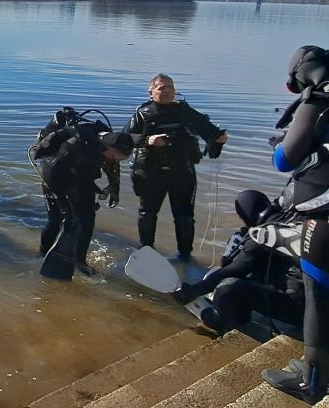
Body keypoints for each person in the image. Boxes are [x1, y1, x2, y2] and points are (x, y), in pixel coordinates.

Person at [261, 45, 329, 403]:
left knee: (320, 298)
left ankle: (311, 382)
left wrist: (281, 142)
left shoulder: (318, 102)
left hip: (328, 220)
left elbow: (284, 159)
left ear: (300, 74)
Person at [125, 74, 228, 261]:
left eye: (170, 87)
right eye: (161, 88)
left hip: (183, 173)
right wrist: (148, 140)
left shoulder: (186, 112)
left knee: (184, 217)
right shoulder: (142, 114)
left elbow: (209, 131)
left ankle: (185, 256)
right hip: (150, 173)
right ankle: (146, 251)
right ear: (151, 92)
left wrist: (219, 138)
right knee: (147, 213)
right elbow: (124, 141)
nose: (167, 91)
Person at [174, 191, 304, 335]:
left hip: (299, 309)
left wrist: (194, 290)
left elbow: (231, 271)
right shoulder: (292, 221)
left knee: (228, 287)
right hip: (321, 300)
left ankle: (225, 323)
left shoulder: (263, 236)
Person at [35, 108, 132, 278]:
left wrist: (114, 189)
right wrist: (65, 206)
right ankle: (42, 254)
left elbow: (112, 167)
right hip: (53, 175)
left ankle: (79, 261)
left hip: (81, 178)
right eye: (116, 157)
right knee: (56, 219)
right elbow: (52, 175)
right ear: (107, 147)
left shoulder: (108, 145)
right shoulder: (74, 146)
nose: (116, 161)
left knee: (87, 220)